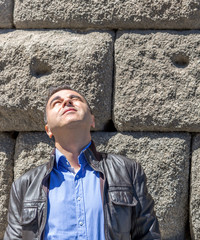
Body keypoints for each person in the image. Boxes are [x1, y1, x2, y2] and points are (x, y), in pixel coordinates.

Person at [4, 85, 161, 240]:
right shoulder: (24, 185)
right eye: (56, 103)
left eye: (75, 99)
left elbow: (148, 234)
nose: (67, 102)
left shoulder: (127, 170)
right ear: (48, 130)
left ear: (92, 120)